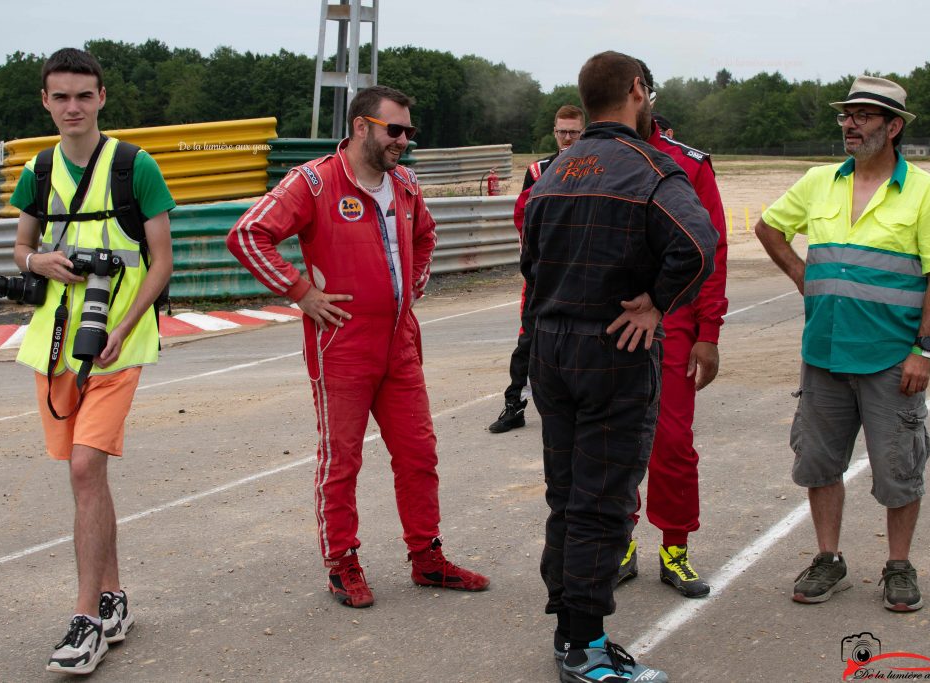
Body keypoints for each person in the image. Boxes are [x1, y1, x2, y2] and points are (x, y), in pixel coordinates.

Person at [226, 85, 489, 610]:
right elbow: (247, 234)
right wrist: (301, 293)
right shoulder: (314, 181)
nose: (405, 141)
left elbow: (427, 237)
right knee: (341, 461)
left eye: (410, 132)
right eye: (396, 130)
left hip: (400, 342)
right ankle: (342, 562)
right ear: (362, 126)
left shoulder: (407, 184)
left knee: (419, 454)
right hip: (342, 344)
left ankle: (427, 556)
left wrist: (412, 286)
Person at [522, 51, 717, 682]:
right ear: (637, 91)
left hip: (551, 348)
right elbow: (698, 244)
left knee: (567, 496)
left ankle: (567, 631)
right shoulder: (651, 168)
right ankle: (586, 650)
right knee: (603, 504)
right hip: (614, 351)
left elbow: (528, 260)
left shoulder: (551, 173)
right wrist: (658, 303)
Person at [754, 76, 930, 612]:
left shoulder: (923, 191)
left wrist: (924, 349)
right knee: (818, 463)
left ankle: (898, 565)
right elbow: (769, 228)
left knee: (899, 467)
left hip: (890, 357)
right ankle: (830, 560)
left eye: (865, 115)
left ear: (893, 127)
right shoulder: (819, 182)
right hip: (823, 352)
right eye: (847, 114)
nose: (851, 123)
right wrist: (804, 278)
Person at [7, 48, 175, 674]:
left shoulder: (136, 166)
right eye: (60, 97)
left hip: (116, 346)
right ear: (46, 103)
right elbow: (22, 244)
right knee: (87, 480)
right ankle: (114, 600)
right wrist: (38, 262)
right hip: (53, 348)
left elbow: (162, 261)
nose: (72, 107)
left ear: (103, 97)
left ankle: (85, 621)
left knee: (83, 471)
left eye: (83, 95)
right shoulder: (40, 168)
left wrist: (126, 326)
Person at [616, 60, 729, 599]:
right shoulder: (590, 161)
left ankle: (675, 550)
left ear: (644, 96)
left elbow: (712, 250)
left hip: (676, 325)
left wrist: (709, 330)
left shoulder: (688, 164)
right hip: (608, 323)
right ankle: (619, 546)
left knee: (673, 443)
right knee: (609, 442)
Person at [489, 104, 586, 433]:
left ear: (583, 132)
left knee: (586, 340)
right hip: (543, 275)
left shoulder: (598, 167)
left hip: (585, 275)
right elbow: (523, 218)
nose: (568, 137)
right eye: (563, 131)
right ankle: (514, 403)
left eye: (574, 131)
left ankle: (584, 408)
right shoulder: (538, 169)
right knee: (529, 339)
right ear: (554, 131)